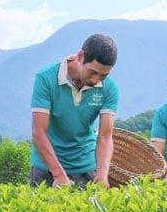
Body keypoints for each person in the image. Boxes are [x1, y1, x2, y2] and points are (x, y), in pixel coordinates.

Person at [30, 33, 119, 188]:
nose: (95, 80)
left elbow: (105, 136)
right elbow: (38, 131)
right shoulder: (46, 78)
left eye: (103, 76)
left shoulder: (109, 88)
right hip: (46, 168)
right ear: (80, 56)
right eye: (92, 72)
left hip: (85, 167)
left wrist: (102, 175)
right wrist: (58, 174)